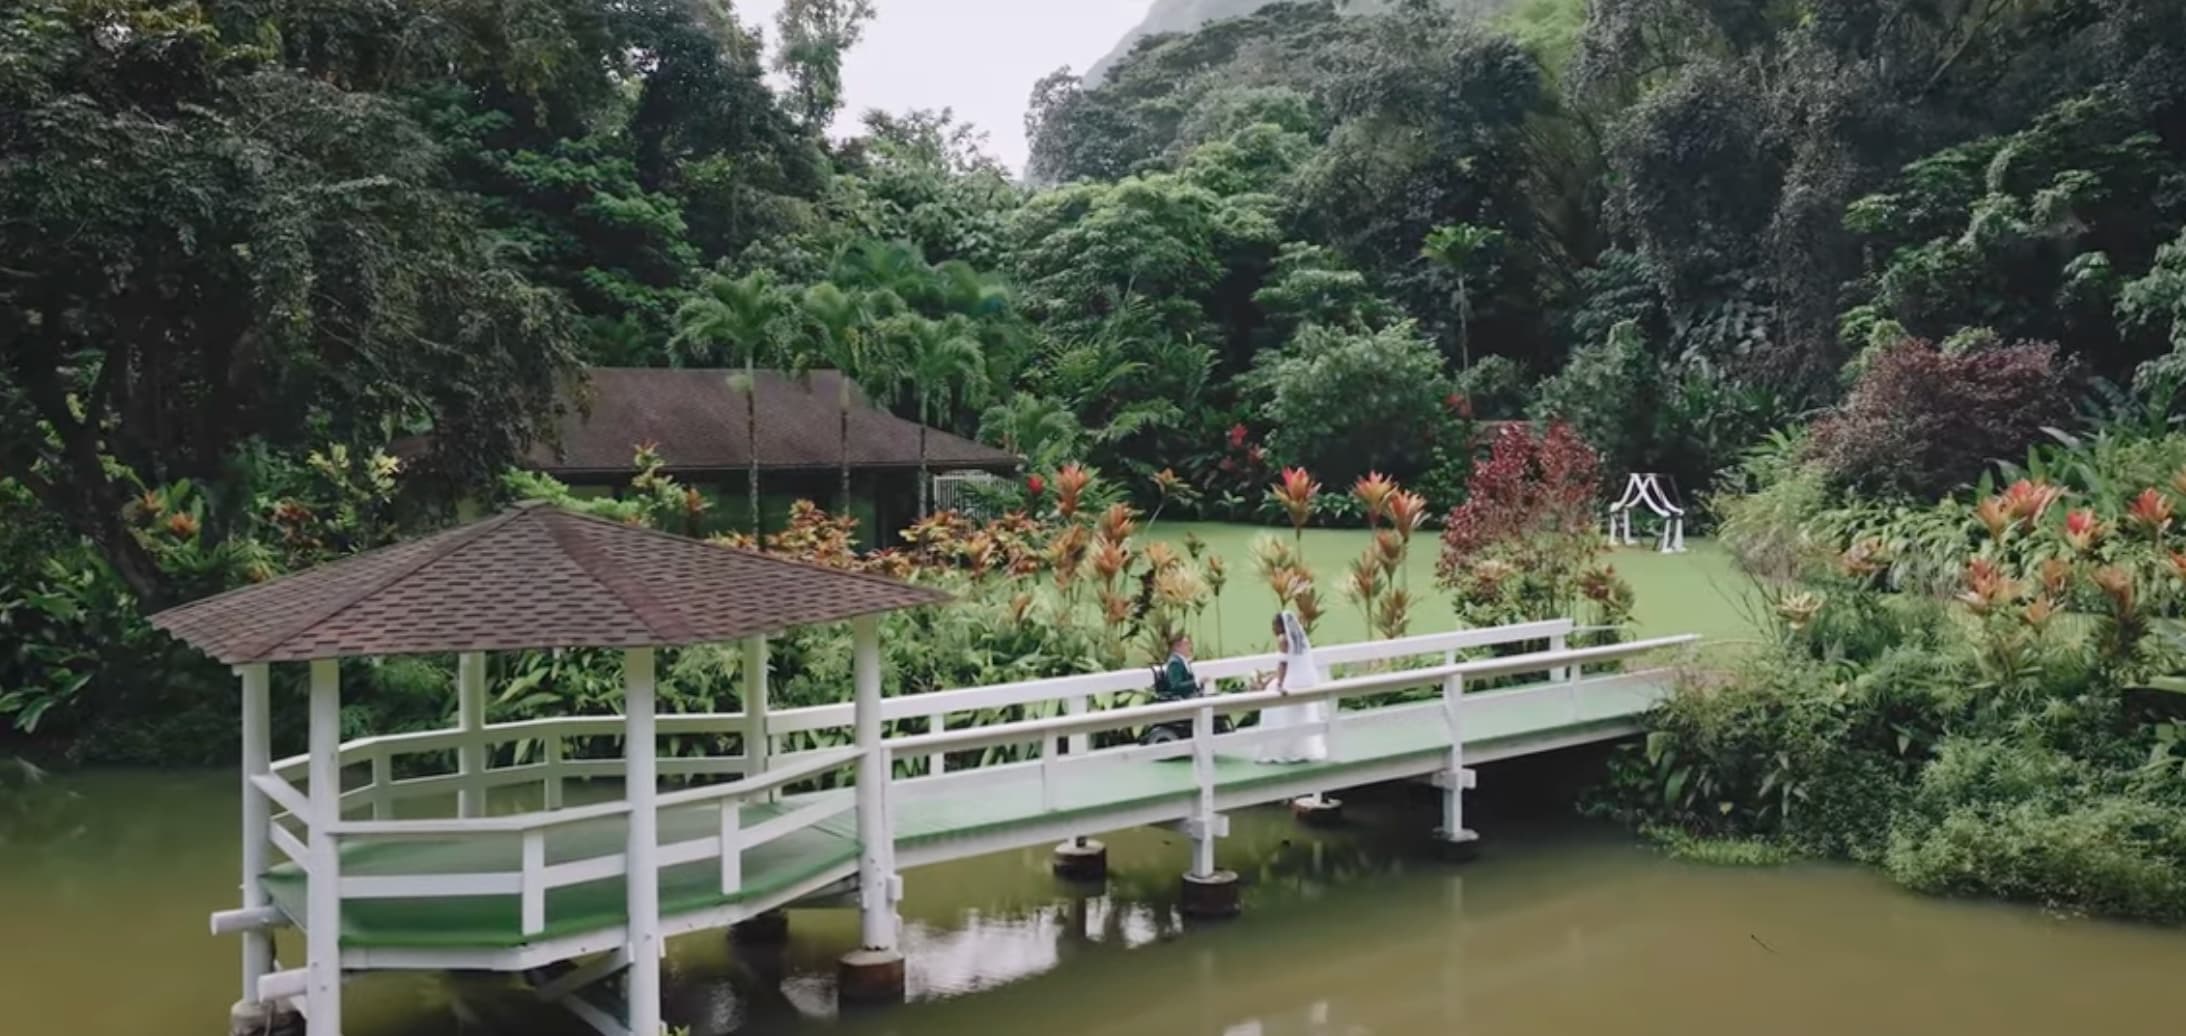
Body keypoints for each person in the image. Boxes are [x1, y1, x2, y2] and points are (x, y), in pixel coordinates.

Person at [1254, 611, 1329, 764]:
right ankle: (1300, 747)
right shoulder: (1299, 639)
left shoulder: (1283, 639)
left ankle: (1275, 748)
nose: (1272, 629)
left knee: (1270, 693)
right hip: (1306, 680)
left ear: (1279, 626)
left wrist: (1279, 684)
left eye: (1273, 625)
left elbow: (1283, 664)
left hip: (1293, 681)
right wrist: (1271, 678)